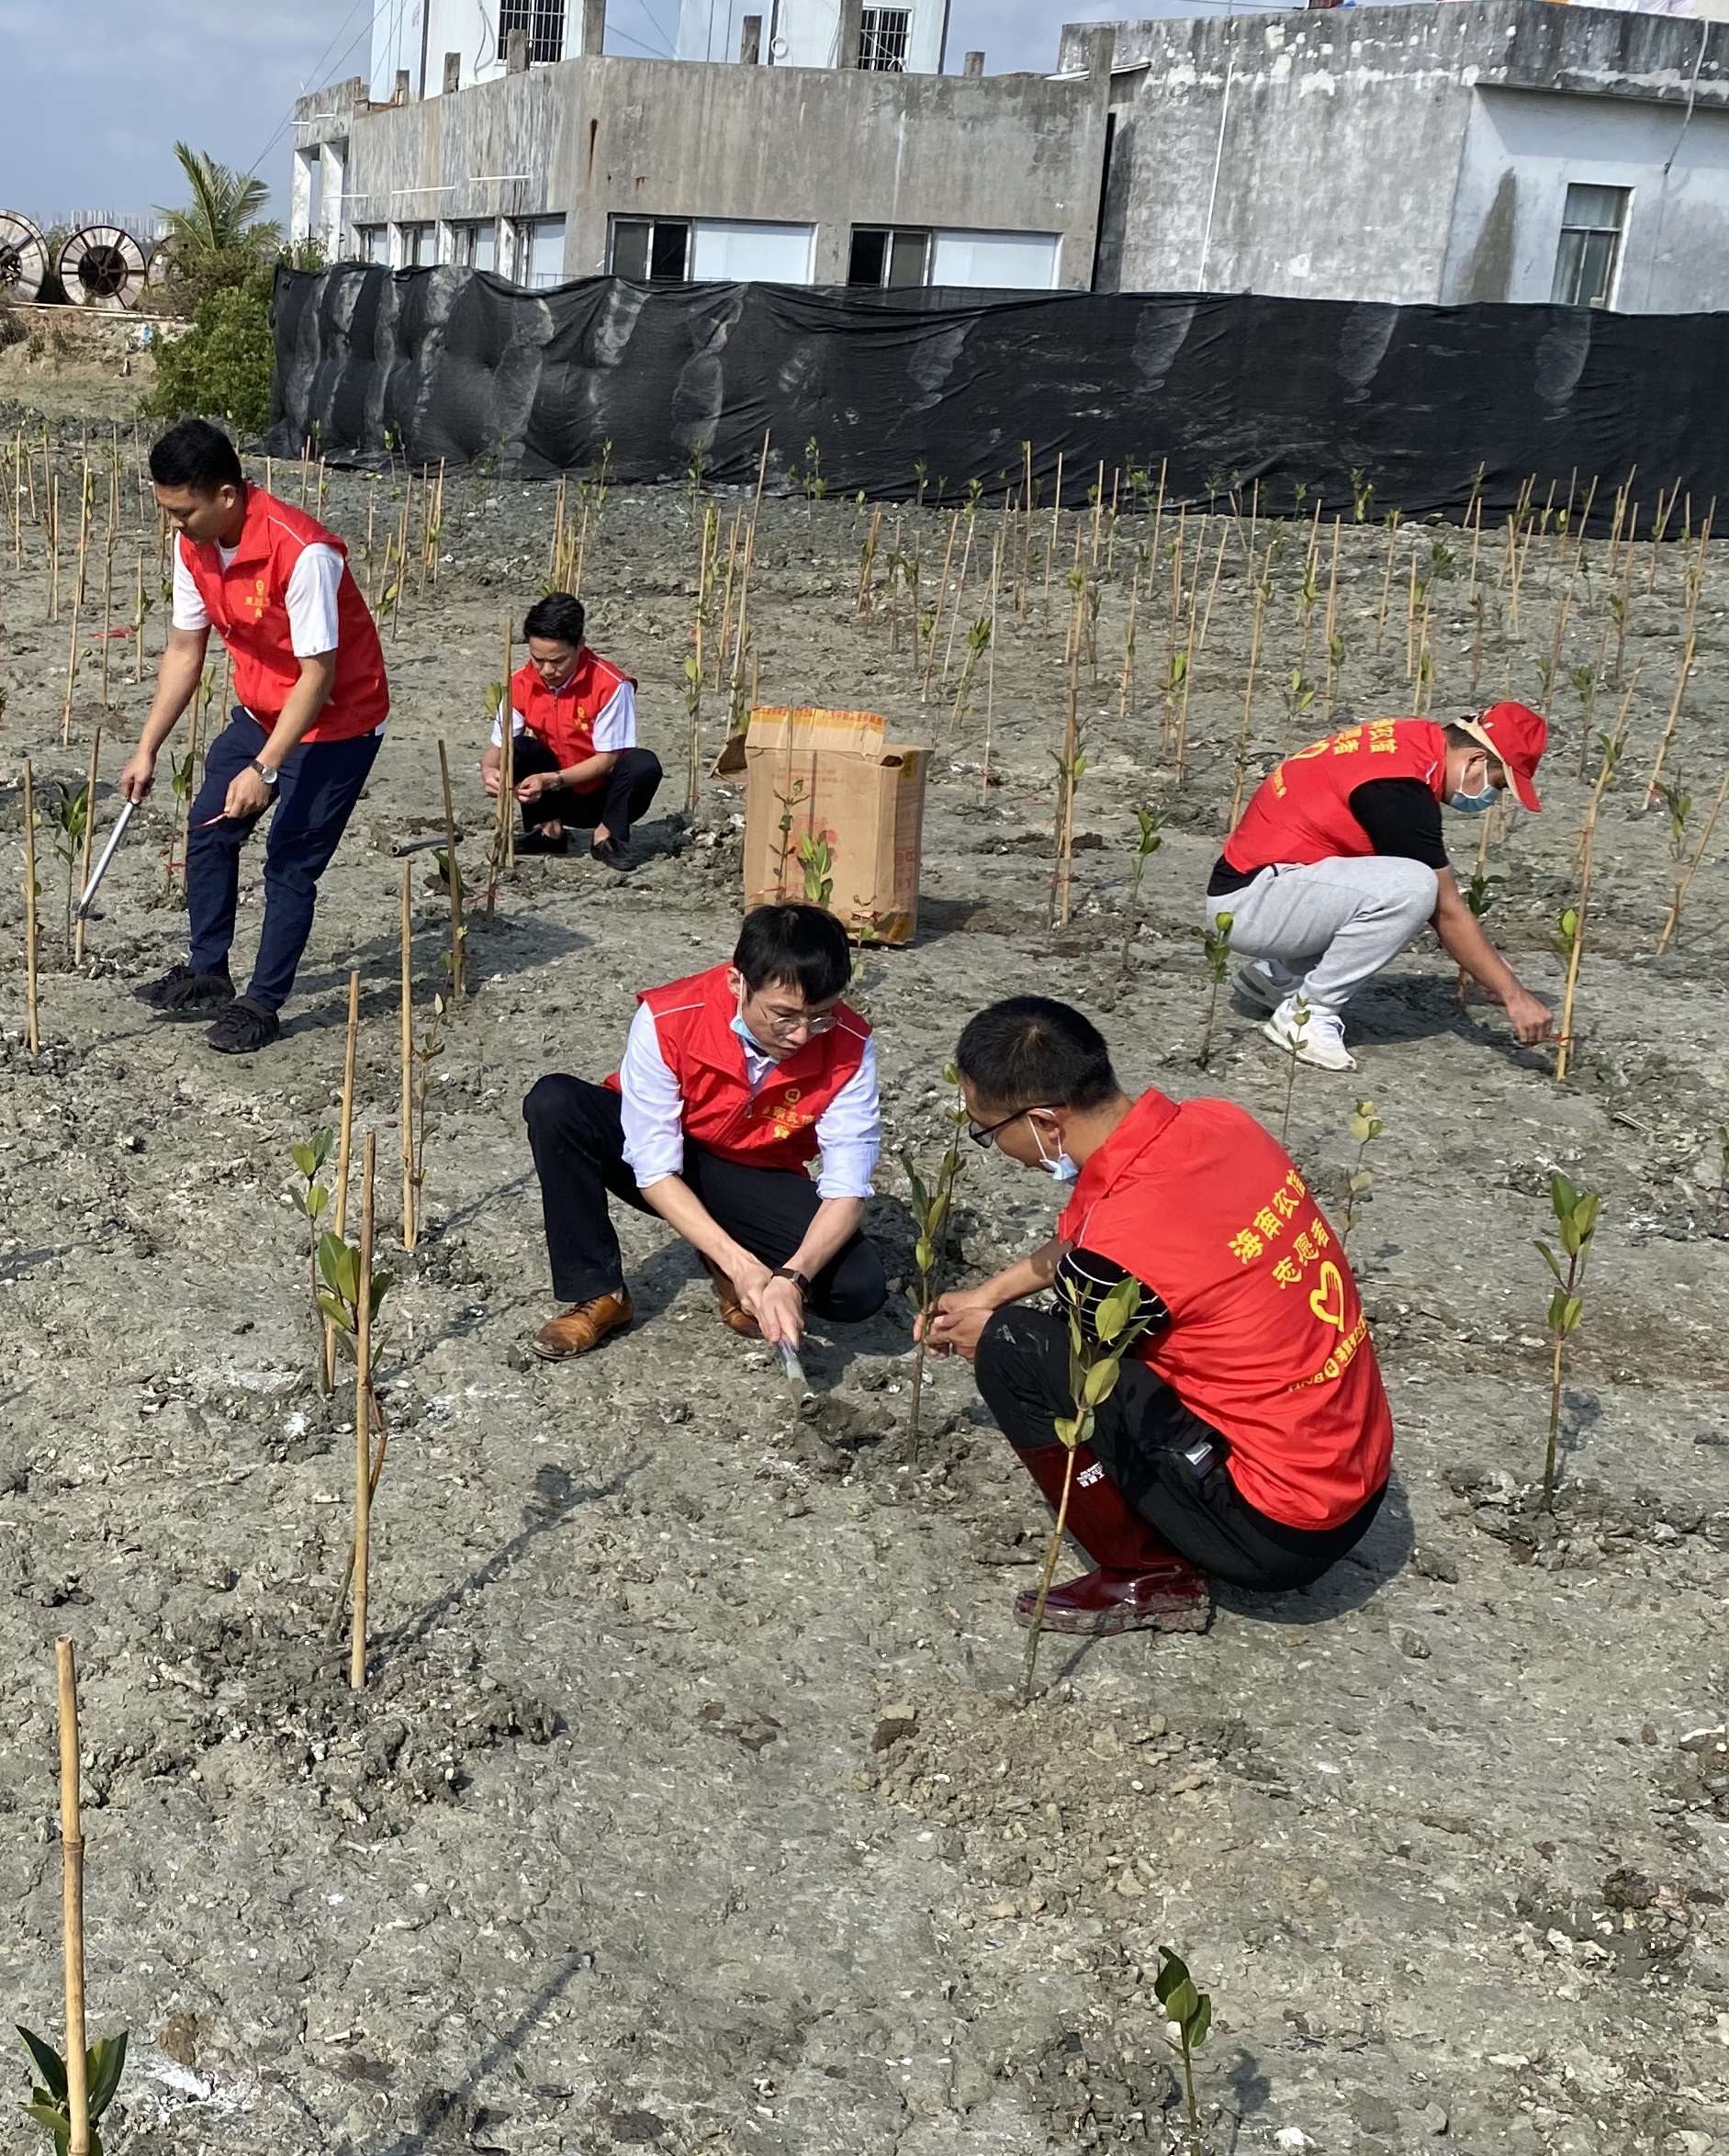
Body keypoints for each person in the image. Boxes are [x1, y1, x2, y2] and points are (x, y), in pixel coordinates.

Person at [923, 996, 1392, 1638]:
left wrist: (987, 1334)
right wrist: (989, 1293)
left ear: (1042, 1124)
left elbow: (1081, 1367)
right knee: (1018, 1327)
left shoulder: (1120, 1246)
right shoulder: (1216, 1124)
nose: (996, 1146)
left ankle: (1144, 1573)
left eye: (989, 1131)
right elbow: (1094, 1241)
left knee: (1016, 1351)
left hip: (1278, 1532)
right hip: (1357, 1473)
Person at [120, 418, 389, 1056]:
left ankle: (262, 1004)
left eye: (182, 511)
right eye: (166, 510)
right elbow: (186, 650)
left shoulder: (305, 553)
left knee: (289, 865)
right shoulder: (194, 547)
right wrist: (148, 747)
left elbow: (318, 676)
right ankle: (210, 970)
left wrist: (265, 770)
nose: (173, 525)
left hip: (338, 721)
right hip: (264, 709)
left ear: (227, 496)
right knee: (209, 826)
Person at [526, 903, 889, 1359]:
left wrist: (792, 1279)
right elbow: (654, 1165)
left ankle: (728, 1257)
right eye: (785, 1015)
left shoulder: (851, 1046)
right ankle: (602, 1293)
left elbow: (847, 1188)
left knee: (857, 1290)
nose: (801, 1035)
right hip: (667, 1158)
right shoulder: (670, 1016)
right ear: (738, 982)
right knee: (556, 1104)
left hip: (755, 1172)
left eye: (821, 1016)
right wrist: (743, 1266)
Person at [1206, 704, 1555, 1071]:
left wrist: (1485, 962)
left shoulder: (1408, 742)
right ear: (1476, 761)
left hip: (1257, 886)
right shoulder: (1400, 790)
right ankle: (1306, 1015)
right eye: (1497, 785)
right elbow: (1446, 909)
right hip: (1252, 904)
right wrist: (1514, 995)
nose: (1490, 799)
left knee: (1387, 877)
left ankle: (1279, 977)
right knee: (1413, 887)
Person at [480, 592, 665, 862]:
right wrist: (489, 770)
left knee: (643, 764)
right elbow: (498, 747)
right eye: (537, 659)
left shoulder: (611, 684)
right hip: (552, 796)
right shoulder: (518, 682)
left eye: (557, 661)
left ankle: (606, 836)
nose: (545, 670)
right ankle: (550, 832)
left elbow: (606, 760)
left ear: (580, 645)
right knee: (520, 748)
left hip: (603, 793)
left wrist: (551, 780)